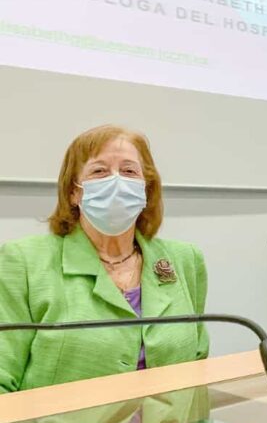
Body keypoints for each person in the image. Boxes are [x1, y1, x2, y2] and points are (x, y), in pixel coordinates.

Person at [0, 126, 209, 393]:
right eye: (99, 171)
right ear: (74, 192)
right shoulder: (24, 262)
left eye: (129, 171)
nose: (117, 182)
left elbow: (199, 364)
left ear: (146, 188)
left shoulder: (184, 260)